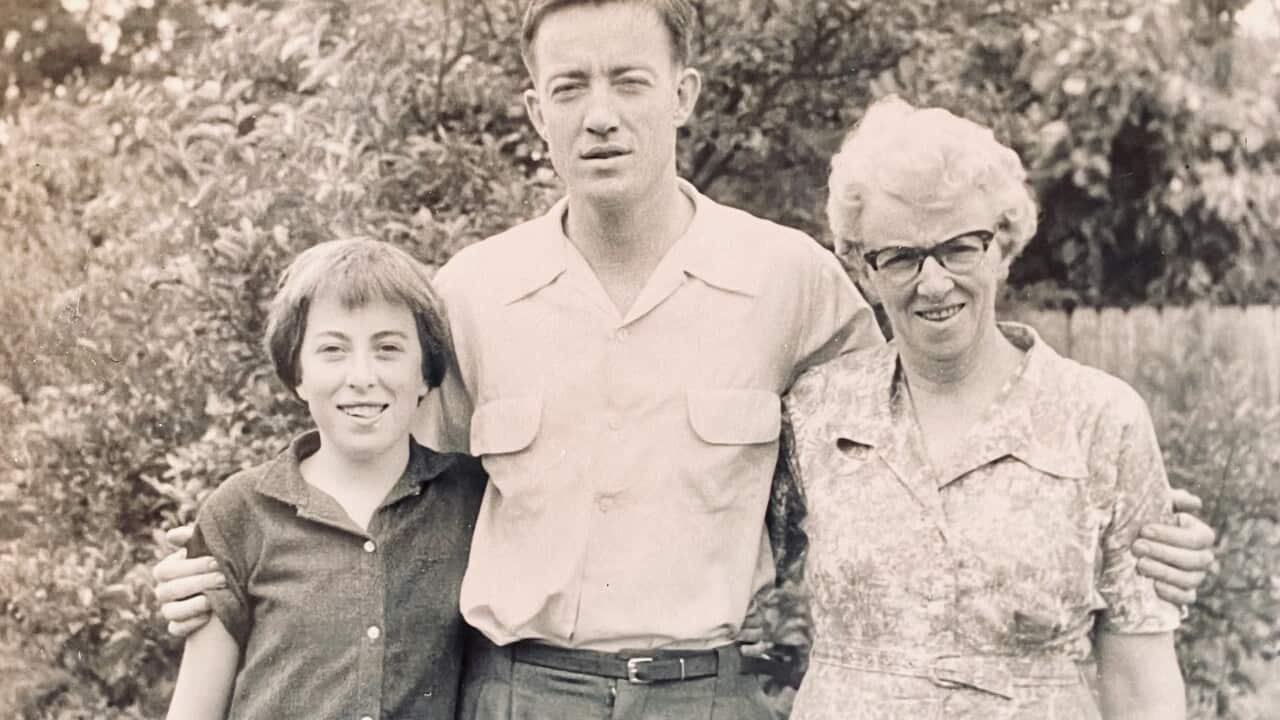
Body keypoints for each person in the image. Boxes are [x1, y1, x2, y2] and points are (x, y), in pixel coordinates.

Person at [153, 2, 1216, 718]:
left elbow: (930, 404)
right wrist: (224, 571)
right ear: (535, 114)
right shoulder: (470, 292)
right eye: (568, 88)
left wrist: (1137, 531)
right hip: (522, 695)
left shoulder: (791, 279)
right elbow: (385, 493)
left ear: (686, 95)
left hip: (704, 698)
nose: (599, 113)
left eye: (628, 80)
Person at [782, 96, 1185, 719]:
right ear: (864, 269)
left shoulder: (1100, 419)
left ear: (1002, 245)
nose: (934, 282)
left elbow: (1141, 681)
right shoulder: (816, 414)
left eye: (960, 248)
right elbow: (721, 548)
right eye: (901, 257)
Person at [164, 239, 485, 719]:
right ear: (298, 373)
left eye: (388, 348)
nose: (361, 376)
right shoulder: (241, 511)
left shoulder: (470, 499)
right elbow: (195, 708)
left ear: (426, 373)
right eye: (333, 349)